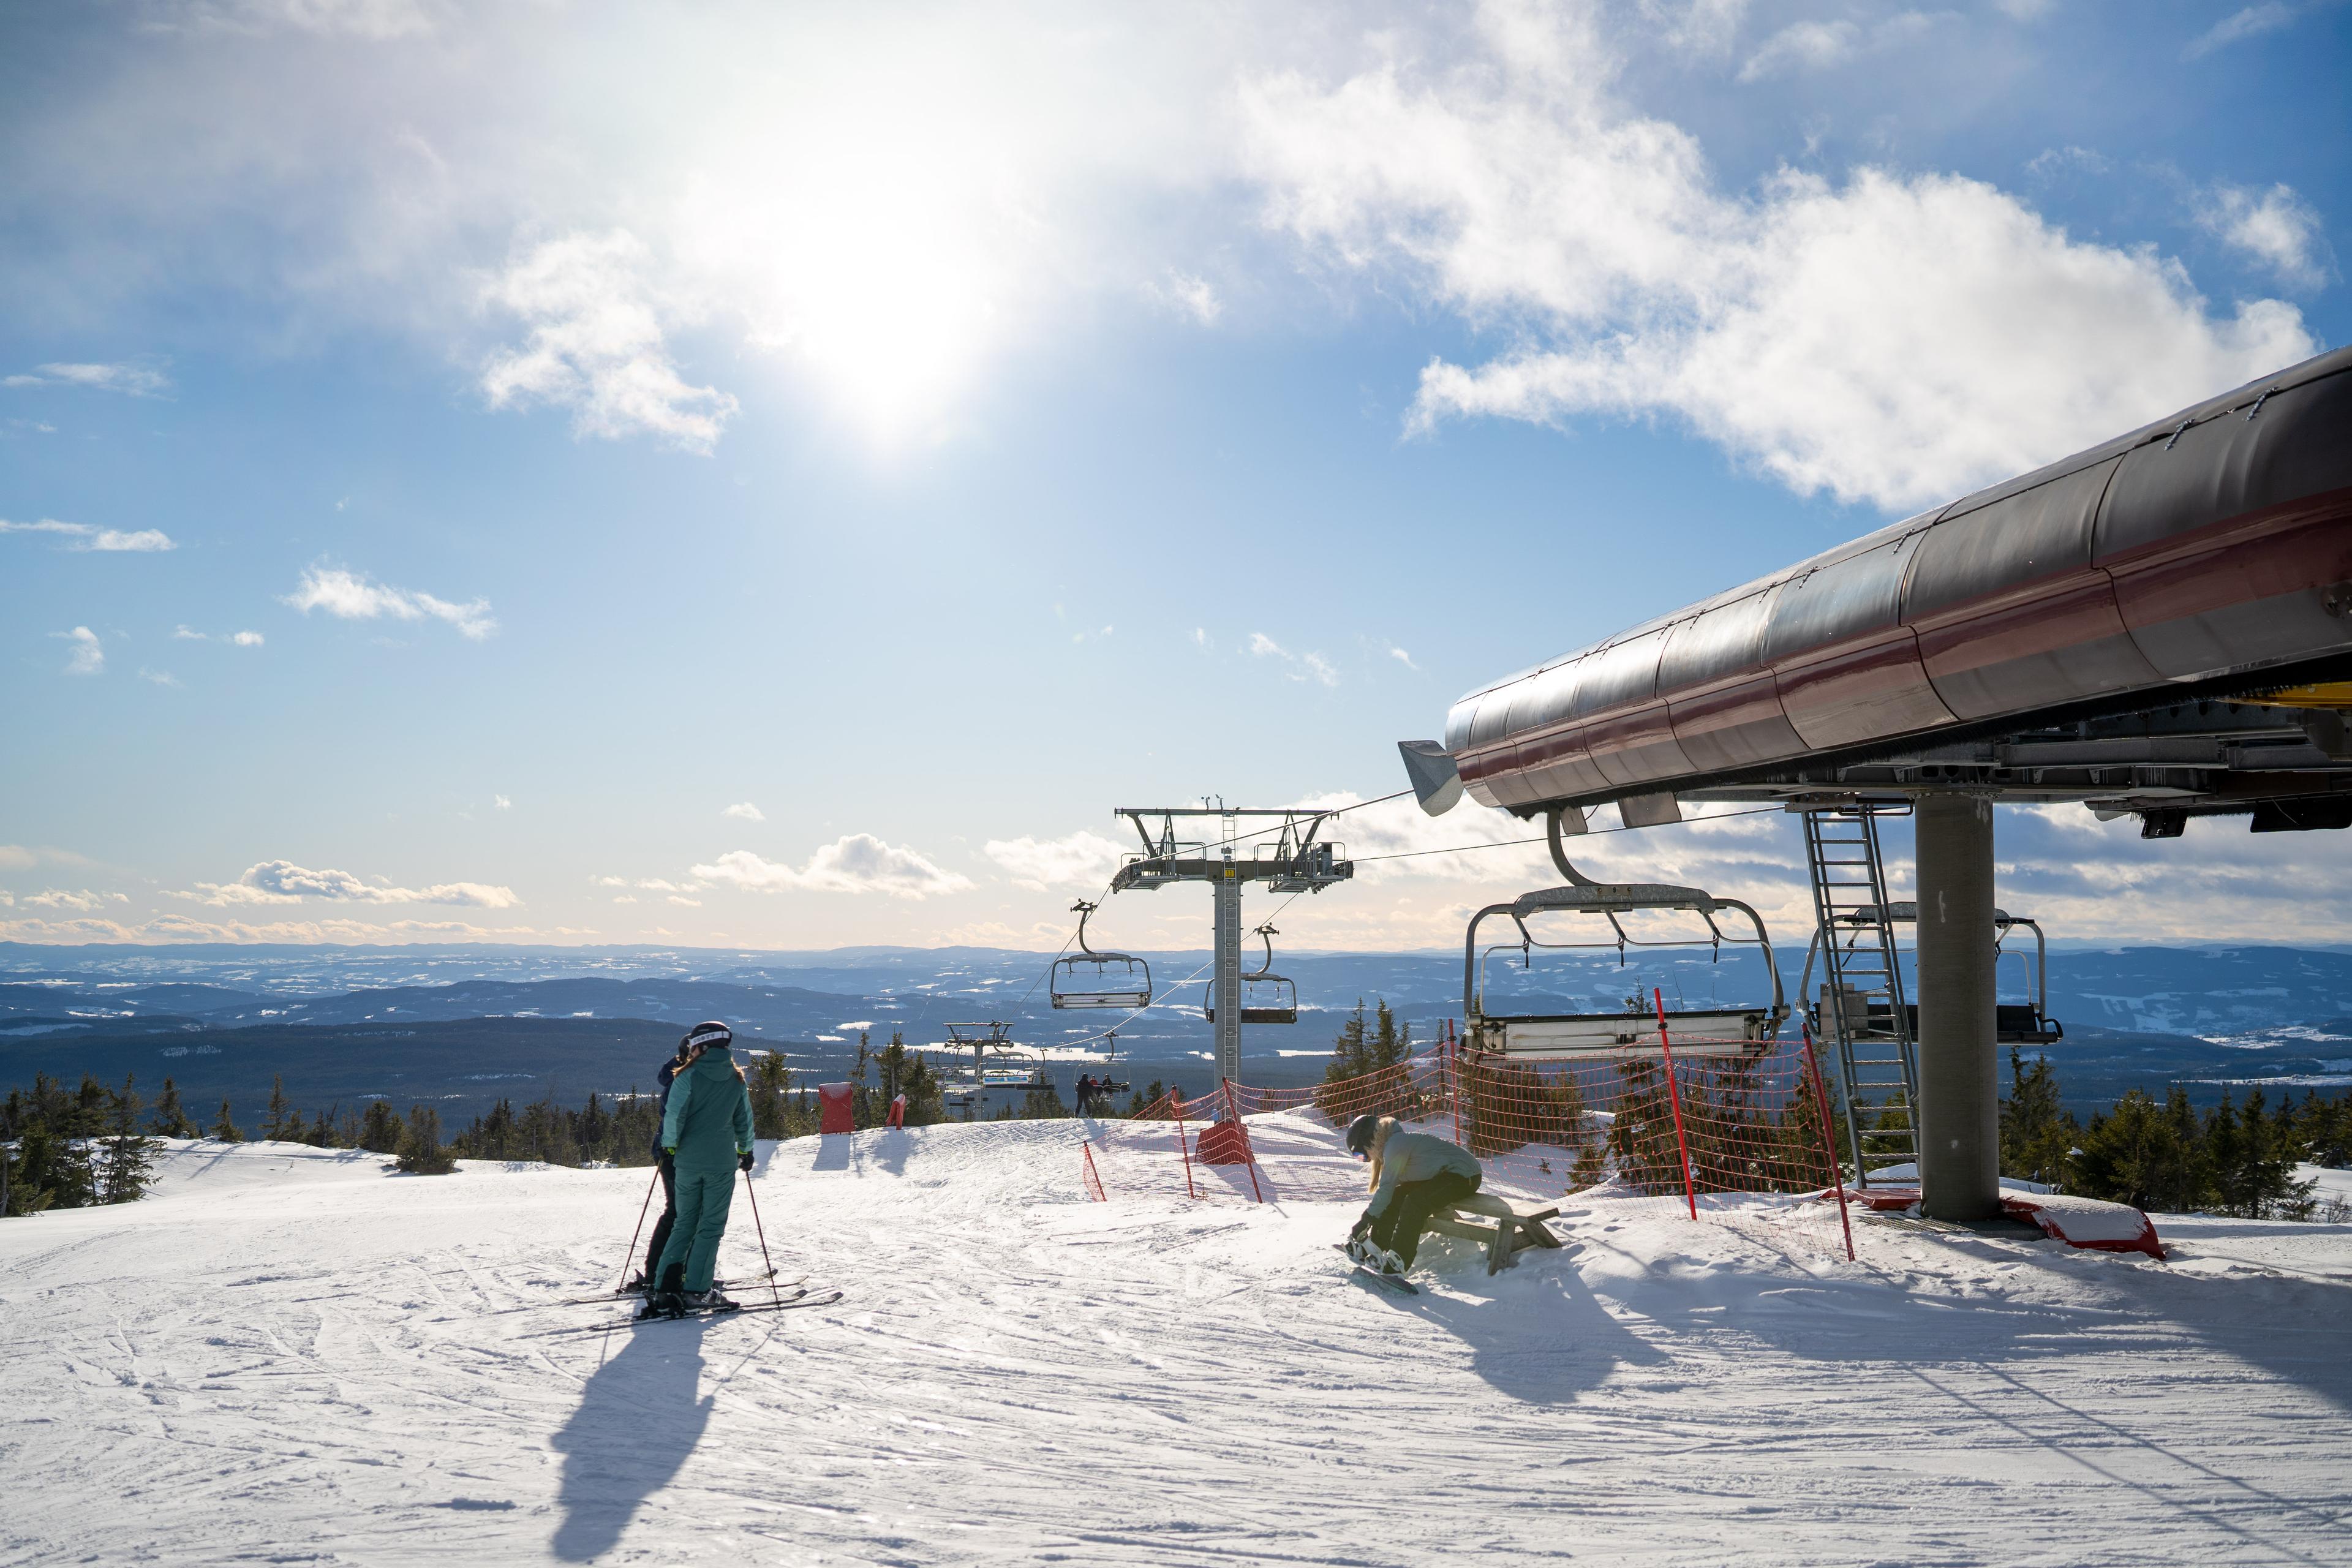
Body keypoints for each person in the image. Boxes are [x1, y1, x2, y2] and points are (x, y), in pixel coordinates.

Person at [645, 1019, 755, 1316]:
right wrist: (745, 1150)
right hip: (720, 1163)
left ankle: (664, 1289)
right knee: (710, 1228)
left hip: (686, 1162)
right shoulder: (736, 1078)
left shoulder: (686, 1076)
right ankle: (697, 1289)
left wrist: (669, 1146)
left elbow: (674, 1116)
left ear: (701, 1046)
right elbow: (743, 1119)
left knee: (684, 1222)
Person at [1343, 1114, 1482, 1276]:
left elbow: (1385, 1189)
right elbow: (1391, 1193)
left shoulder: (1396, 1145)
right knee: (1397, 1196)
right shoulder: (1392, 1145)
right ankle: (1375, 1247)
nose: (1365, 1160)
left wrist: (1365, 1221)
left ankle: (1398, 1262)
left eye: (1361, 1155)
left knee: (1415, 1203)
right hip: (1444, 1175)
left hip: (1465, 1175)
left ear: (1369, 1141)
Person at [630, 1033, 700, 1294]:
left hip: (670, 1152)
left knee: (679, 1212)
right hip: (672, 1153)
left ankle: (665, 1270)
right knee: (680, 1212)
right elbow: (676, 1119)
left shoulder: (678, 1075)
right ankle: (664, 1272)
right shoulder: (681, 1081)